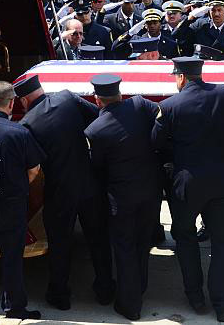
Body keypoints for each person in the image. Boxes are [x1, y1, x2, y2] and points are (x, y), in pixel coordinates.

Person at [152, 57, 224, 322]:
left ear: (181, 77)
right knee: (223, 242)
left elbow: (156, 142)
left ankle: (195, 296)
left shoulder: (169, 106)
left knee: (185, 238)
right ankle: (223, 304)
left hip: (188, 183)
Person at [14, 75, 114, 310]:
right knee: (98, 239)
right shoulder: (67, 98)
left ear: (24, 100)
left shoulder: (27, 124)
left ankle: (60, 294)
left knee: (60, 244)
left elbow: (33, 165)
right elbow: (99, 119)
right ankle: (105, 289)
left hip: (59, 192)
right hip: (89, 184)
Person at [84, 74, 161, 321]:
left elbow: (97, 166)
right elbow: (162, 117)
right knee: (141, 243)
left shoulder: (95, 130)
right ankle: (140, 287)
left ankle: (130, 304)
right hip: (150, 191)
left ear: (98, 100)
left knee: (125, 248)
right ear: (120, 93)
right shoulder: (140, 105)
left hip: (122, 197)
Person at [0, 82, 44, 320]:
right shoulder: (20, 132)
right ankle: (14, 307)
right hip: (12, 205)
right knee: (12, 260)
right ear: (11, 103)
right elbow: (34, 169)